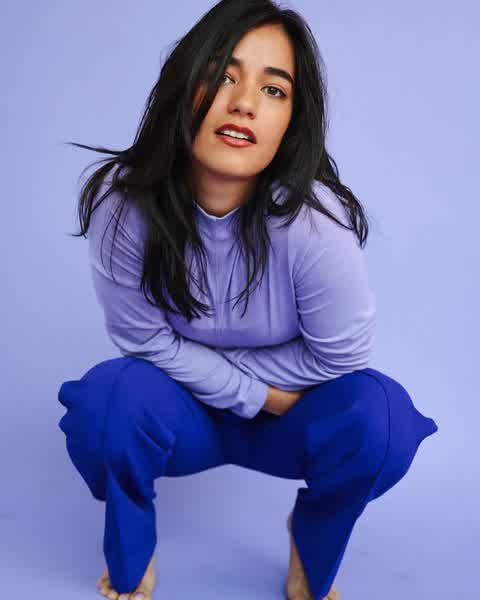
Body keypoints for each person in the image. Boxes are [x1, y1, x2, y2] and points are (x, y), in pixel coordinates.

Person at [58, 1, 439, 599]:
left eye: (274, 89)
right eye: (223, 75)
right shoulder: (124, 205)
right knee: (107, 404)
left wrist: (243, 389)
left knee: (381, 419)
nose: (244, 103)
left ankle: (311, 540)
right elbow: (139, 339)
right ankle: (134, 546)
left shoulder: (315, 221)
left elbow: (342, 358)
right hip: (191, 409)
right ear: (184, 86)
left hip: (291, 419)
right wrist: (260, 394)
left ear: (291, 121)